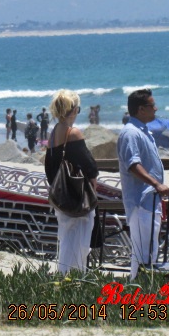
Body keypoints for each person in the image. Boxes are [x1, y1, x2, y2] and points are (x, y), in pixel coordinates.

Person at [117, 88, 169, 279]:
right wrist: (156, 184)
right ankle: (138, 292)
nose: (155, 109)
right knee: (143, 255)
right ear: (141, 109)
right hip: (141, 202)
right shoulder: (131, 133)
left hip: (149, 201)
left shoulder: (142, 131)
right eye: (152, 105)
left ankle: (140, 291)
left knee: (148, 252)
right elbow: (133, 164)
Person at [44, 89, 99, 274]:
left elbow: (49, 166)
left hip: (61, 195)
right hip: (77, 197)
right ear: (74, 110)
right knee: (79, 241)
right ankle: (72, 278)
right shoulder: (73, 133)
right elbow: (90, 167)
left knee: (67, 238)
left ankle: (64, 276)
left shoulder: (53, 134)